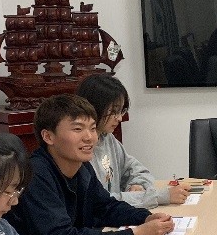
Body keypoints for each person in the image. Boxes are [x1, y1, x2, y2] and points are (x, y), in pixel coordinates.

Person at [8, 95, 174, 235]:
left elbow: (105, 207)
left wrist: (145, 217)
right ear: (48, 137)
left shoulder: (82, 166)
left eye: (93, 128)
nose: (89, 137)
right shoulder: (35, 174)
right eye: (78, 129)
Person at [76, 72, 190, 208]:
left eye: (121, 111)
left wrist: (137, 185)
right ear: (94, 108)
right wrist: (160, 196)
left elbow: (137, 170)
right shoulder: (80, 149)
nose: (119, 118)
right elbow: (99, 202)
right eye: (113, 111)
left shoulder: (107, 138)